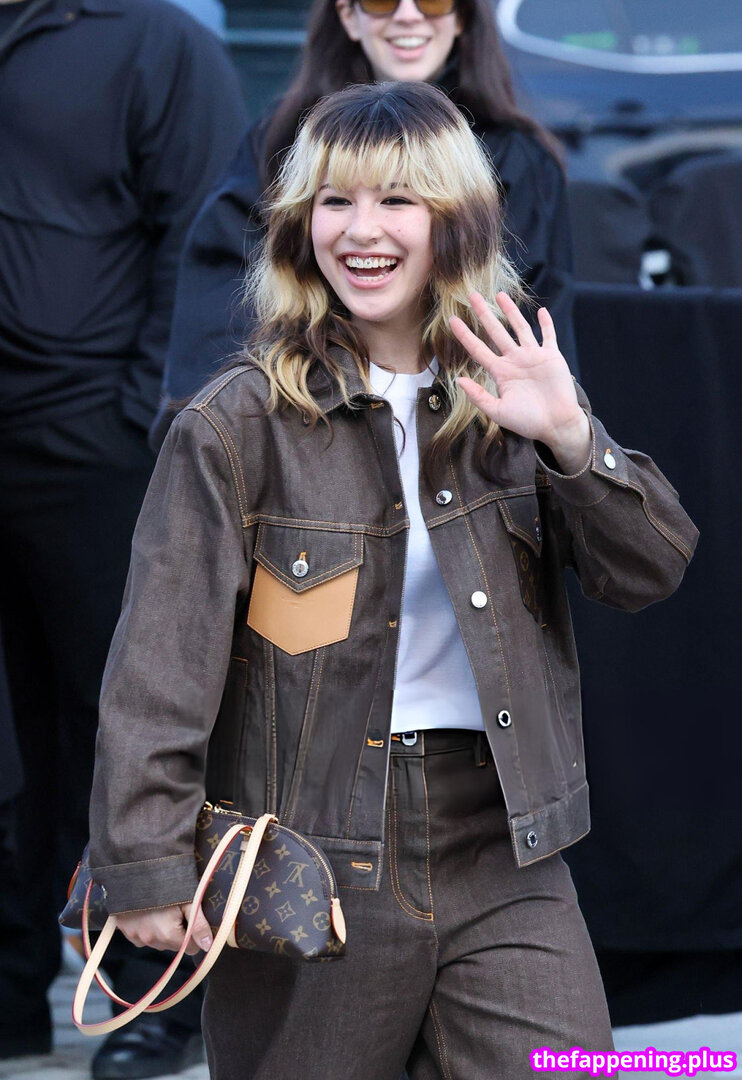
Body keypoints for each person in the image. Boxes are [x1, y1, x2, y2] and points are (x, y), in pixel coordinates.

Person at [87, 81, 698, 1079]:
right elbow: (161, 662)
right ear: (300, 223)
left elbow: (651, 568)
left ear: (456, 220)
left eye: (397, 200)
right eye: (335, 200)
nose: (360, 230)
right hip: (312, 854)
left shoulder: (509, 399)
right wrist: (145, 861)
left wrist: (569, 435)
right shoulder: (235, 423)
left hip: (502, 844)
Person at [0, 0, 247, 1073]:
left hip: (94, 445)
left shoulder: (160, 44)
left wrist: (133, 412)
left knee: (128, 715)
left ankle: (158, 992)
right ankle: (10, 989)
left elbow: (207, 240)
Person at [152, 0, 577, 445]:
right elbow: (215, 315)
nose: (408, 14)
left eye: (433, 0)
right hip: (303, 430)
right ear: (347, 15)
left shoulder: (521, 162)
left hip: (467, 437)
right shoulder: (277, 143)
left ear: (462, 15)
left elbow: (539, 331)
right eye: (380, 0)